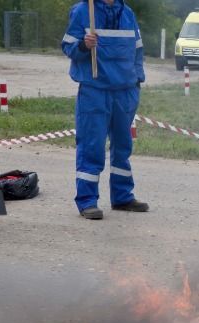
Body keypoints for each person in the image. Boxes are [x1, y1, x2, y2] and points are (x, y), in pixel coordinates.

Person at [61, 0, 148, 220]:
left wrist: (137, 80)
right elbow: (67, 46)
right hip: (95, 90)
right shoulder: (83, 11)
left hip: (125, 91)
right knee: (92, 146)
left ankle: (122, 197)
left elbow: (138, 51)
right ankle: (87, 202)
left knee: (123, 146)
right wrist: (83, 45)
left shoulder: (127, 13)